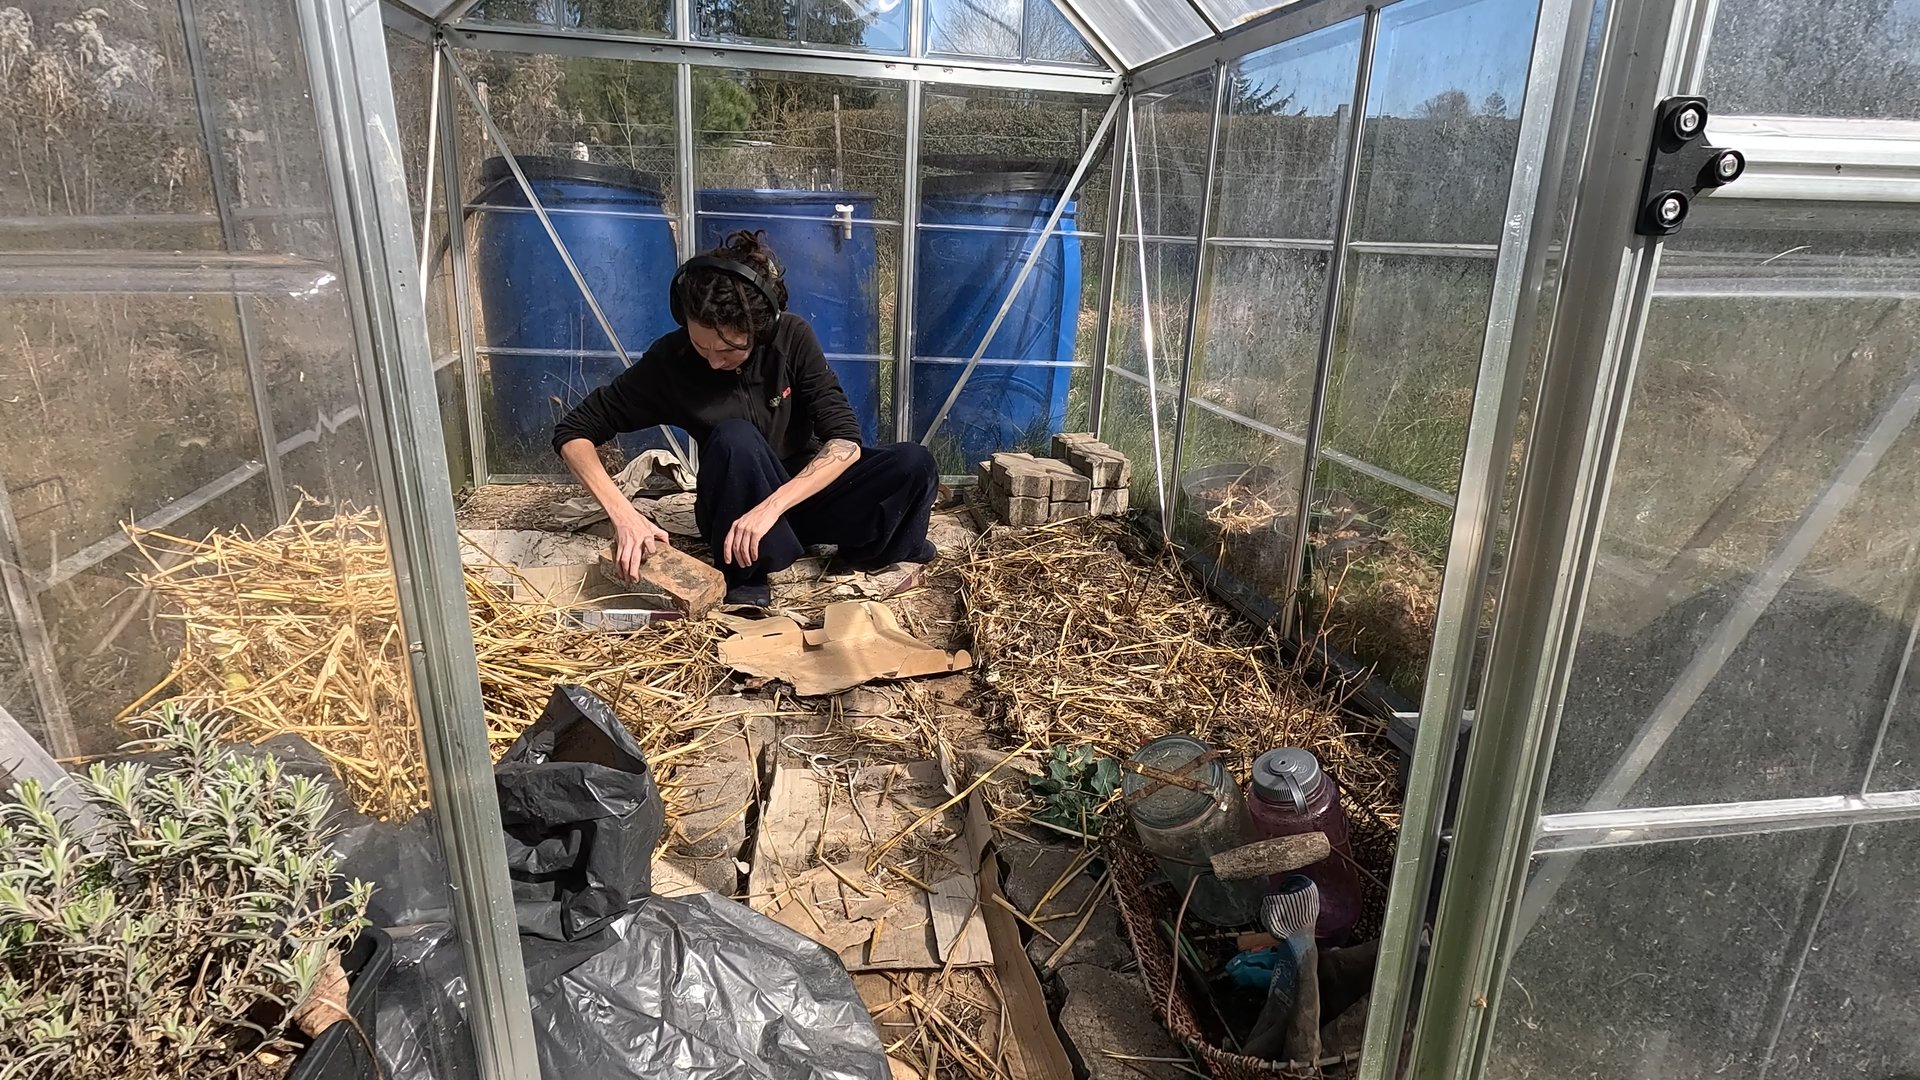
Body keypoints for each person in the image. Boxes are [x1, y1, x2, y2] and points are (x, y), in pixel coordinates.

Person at [553, 230, 941, 607]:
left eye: (727, 350)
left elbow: (844, 441)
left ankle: (872, 554)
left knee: (914, 462)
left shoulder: (792, 337)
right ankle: (746, 577)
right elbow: (574, 431)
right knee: (734, 437)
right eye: (701, 345)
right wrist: (624, 515)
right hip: (737, 509)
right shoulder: (671, 362)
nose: (713, 361)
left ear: (761, 329)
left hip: (794, 500)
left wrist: (772, 507)